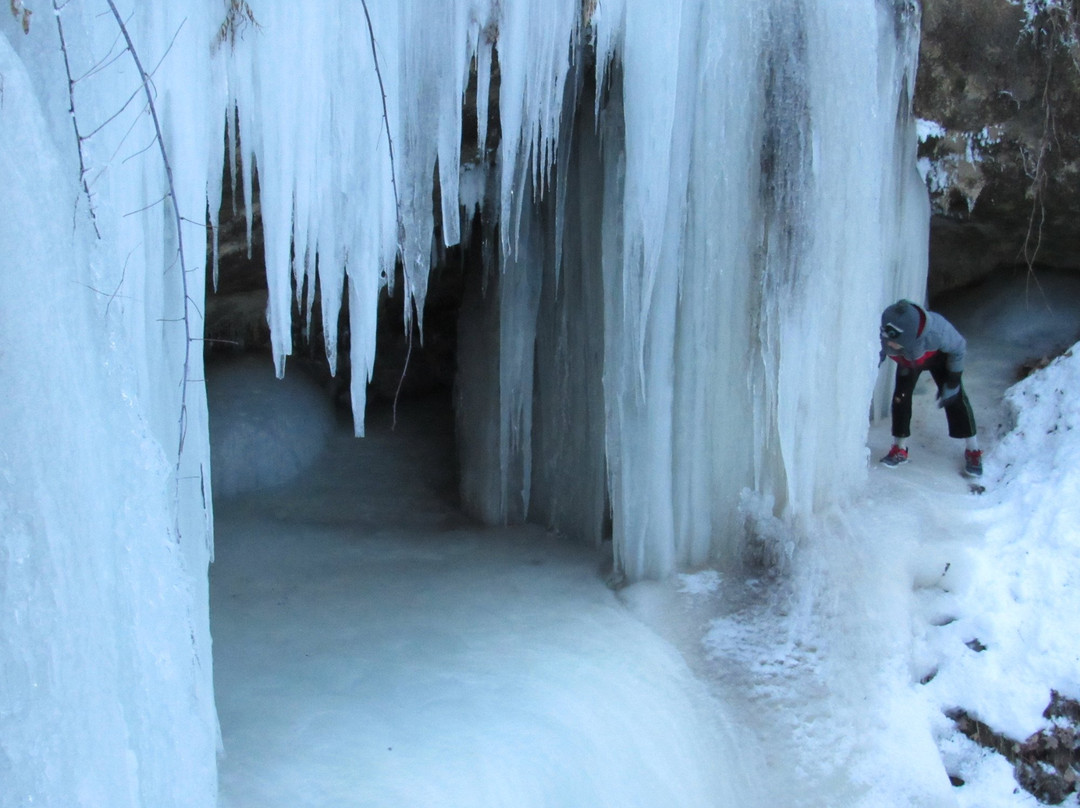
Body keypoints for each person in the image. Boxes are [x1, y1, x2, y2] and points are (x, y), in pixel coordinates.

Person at [878, 299, 982, 477]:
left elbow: (958, 348)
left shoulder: (937, 331)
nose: (889, 345)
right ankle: (899, 448)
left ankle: (973, 450)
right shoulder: (886, 334)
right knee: (900, 398)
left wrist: (953, 380)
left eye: (894, 342)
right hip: (908, 361)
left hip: (939, 358)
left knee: (955, 398)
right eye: (887, 340)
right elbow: (877, 353)